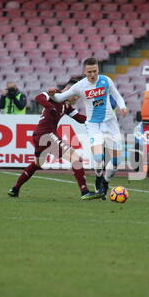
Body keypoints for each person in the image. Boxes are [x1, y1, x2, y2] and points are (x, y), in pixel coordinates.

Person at [8, 77, 102, 200]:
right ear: (69, 90)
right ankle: (84, 192)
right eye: (76, 95)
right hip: (46, 134)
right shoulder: (56, 94)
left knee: (38, 163)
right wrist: (50, 107)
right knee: (76, 159)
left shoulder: (66, 106)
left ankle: (15, 189)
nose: (77, 98)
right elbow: (39, 98)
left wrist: (96, 120)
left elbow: (79, 118)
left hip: (39, 135)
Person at [48, 58, 128, 199]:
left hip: (110, 123)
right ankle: (98, 179)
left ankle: (105, 182)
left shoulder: (106, 81)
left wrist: (122, 107)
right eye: (89, 72)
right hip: (93, 125)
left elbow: (118, 97)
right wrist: (52, 94)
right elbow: (60, 98)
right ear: (85, 72)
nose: (92, 74)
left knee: (116, 161)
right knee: (98, 156)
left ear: (98, 70)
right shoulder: (80, 86)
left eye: (95, 71)